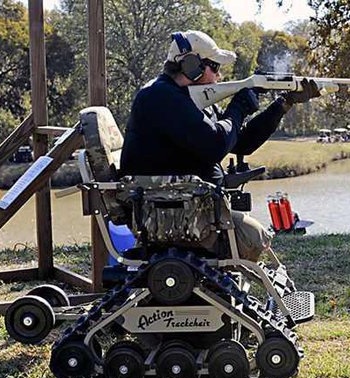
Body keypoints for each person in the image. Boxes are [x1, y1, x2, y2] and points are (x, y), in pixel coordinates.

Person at [120, 30, 320, 260]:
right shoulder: (159, 96)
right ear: (191, 65)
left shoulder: (186, 97)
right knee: (252, 238)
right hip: (169, 212)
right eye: (214, 67)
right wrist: (239, 107)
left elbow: (240, 143)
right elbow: (216, 145)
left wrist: (283, 104)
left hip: (187, 207)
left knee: (253, 235)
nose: (219, 75)